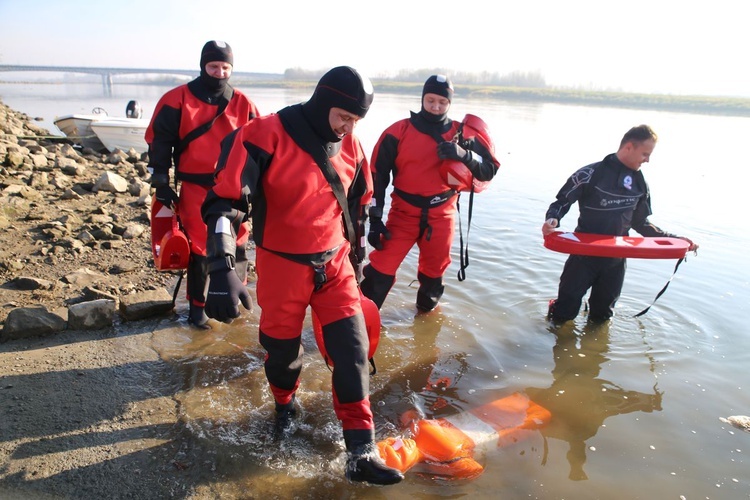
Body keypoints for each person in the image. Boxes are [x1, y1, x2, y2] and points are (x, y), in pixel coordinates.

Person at [200, 66, 403, 485]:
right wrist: (222, 270)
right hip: (281, 267)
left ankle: (361, 451)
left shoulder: (353, 147)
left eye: (357, 120)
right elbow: (225, 206)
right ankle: (283, 406)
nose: (349, 127)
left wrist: (359, 261)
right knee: (282, 354)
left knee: (353, 352)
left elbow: (358, 208)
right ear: (322, 100)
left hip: (335, 266)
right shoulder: (263, 135)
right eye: (344, 117)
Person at [360, 75, 499, 312]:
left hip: (442, 215)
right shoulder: (398, 131)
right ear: (422, 98)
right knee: (380, 270)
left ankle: (425, 314)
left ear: (449, 103)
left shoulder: (463, 134)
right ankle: (359, 322)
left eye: (442, 102)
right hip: (403, 214)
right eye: (430, 100)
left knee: (433, 275)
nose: (436, 107)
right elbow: (377, 178)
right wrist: (374, 219)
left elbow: (489, 170)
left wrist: (463, 155)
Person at [145, 40, 260, 328]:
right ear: (202, 66)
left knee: (240, 242)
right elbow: (160, 142)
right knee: (201, 249)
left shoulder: (244, 103)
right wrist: (161, 182)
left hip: (235, 190)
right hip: (196, 188)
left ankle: (234, 301)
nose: (220, 72)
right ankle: (197, 310)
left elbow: (261, 146)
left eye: (225, 67)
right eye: (213, 66)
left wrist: (262, 188)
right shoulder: (176, 99)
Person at [542, 124, 698, 323]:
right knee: (564, 313)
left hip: (615, 261)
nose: (648, 160)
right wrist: (552, 220)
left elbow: (641, 224)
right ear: (629, 147)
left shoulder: (640, 183)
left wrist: (675, 240)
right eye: (645, 154)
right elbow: (561, 202)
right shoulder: (590, 174)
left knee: (602, 317)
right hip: (583, 256)